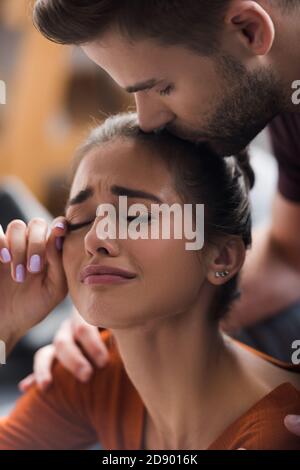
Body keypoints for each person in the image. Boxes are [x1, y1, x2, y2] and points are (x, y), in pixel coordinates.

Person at [18, 0, 300, 437]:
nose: (146, 119)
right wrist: (124, 324)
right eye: (79, 220)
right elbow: (288, 255)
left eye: (162, 87)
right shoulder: (284, 99)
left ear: (247, 30)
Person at [1, 113, 300, 450]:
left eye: (134, 215)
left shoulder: (279, 433)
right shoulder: (93, 370)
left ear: (222, 258)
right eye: (80, 220)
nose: (95, 237)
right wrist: (5, 322)